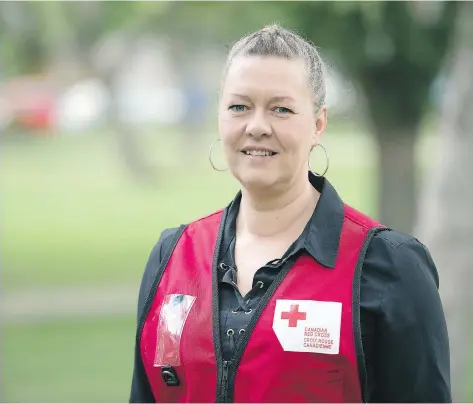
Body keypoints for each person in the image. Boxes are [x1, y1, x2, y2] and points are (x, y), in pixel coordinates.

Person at [129, 24, 451, 403]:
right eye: (239, 107)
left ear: (318, 124)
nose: (257, 126)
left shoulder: (388, 266)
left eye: (281, 109)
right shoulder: (172, 257)